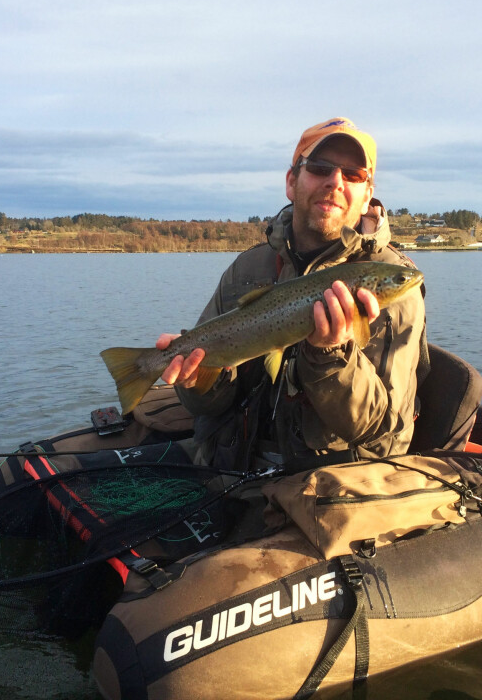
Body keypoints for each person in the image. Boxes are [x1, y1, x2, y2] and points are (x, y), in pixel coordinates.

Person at [157, 118, 429, 472]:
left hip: (325, 488)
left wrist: (330, 355)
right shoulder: (249, 268)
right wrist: (197, 383)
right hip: (233, 467)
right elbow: (210, 405)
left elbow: (383, 434)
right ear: (291, 182)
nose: (335, 182)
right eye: (319, 168)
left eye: (354, 175)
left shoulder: (395, 288)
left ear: (367, 197)